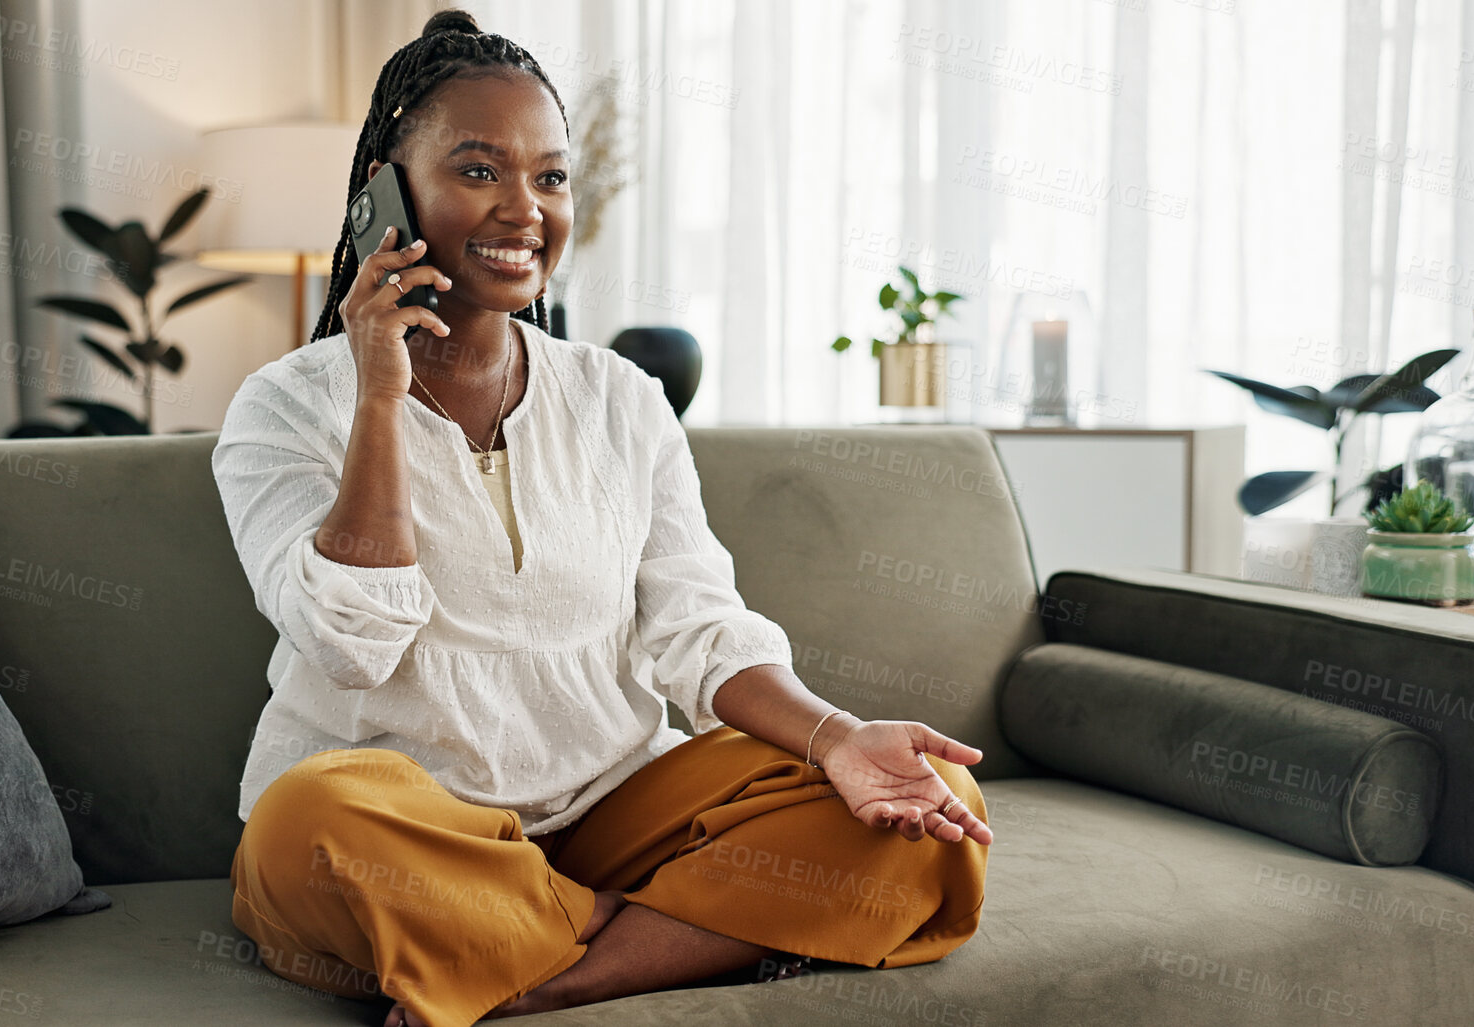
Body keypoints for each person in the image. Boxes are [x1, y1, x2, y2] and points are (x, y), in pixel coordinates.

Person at [212, 11, 992, 1027]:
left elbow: (698, 633)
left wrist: (841, 738)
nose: (524, 209)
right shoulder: (283, 406)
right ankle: (670, 932)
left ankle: (558, 968)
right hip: (409, 828)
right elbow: (351, 644)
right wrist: (376, 395)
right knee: (306, 825)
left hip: (613, 814)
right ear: (384, 196)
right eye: (480, 170)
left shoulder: (623, 399)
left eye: (551, 176)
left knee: (928, 802)